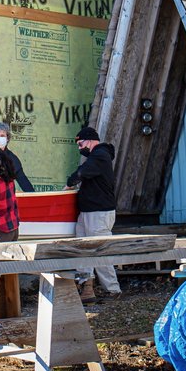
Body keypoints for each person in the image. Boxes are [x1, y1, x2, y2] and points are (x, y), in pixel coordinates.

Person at [65, 125, 121, 303]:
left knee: (100, 250)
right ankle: (86, 285)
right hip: (89, 211)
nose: (80, 148)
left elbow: (82, 172)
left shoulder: (100, 155)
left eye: (81, 144)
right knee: (84, 248)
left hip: (99, 212)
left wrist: (69, 183)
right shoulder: (98, 157)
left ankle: (112, 289)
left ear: (89, 140)